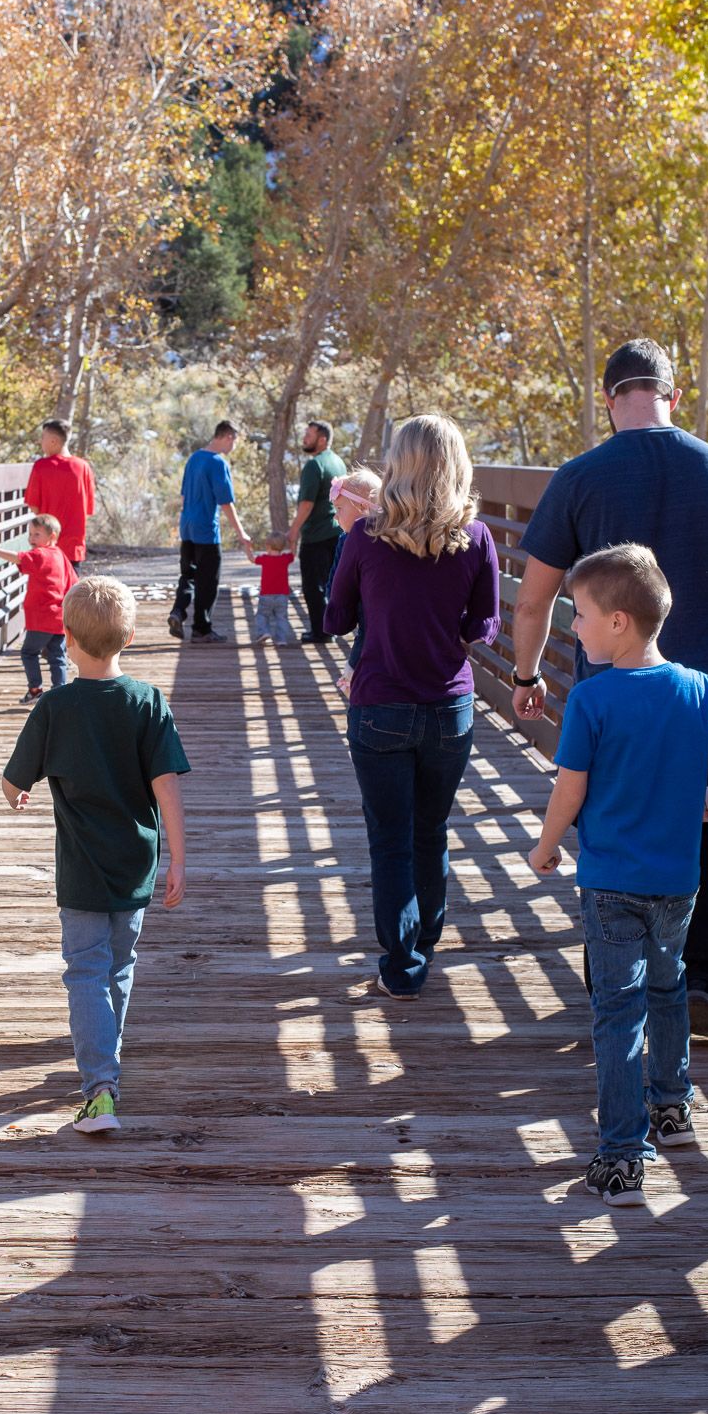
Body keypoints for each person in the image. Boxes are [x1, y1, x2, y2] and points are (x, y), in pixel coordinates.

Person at [511, 338, 708, 1035]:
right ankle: (697, 991)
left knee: (613, 829)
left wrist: (528, 675)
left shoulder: (581, 475)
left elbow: (533, 600)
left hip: (613, 702)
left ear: (608, 399)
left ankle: (616, 990)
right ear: (672, 395)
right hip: (699, 700)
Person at [528, 545, 708, 1207]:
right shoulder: (698, 689)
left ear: (620, 623)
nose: (573, 625)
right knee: (668, 987)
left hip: (608, 880)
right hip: (678, 879)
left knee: (616, 1012)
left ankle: (622, 1159)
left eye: (582, 614)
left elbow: (570, 790)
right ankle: (671, 1108)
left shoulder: (593, 699)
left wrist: (545, 847)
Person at [2, 576, 190, 1132]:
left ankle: (100, 1087)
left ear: (66, 638)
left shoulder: (54, 708)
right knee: (120, 963)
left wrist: (20, 795)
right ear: (129, 638)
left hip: (81, 870)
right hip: (136, 865)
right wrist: (178, 859)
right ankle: (107, 1061)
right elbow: (167, 790)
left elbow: (13, 783)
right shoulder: (148, 702)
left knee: (85, 969)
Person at [324, 415, 501, 998]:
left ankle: (402, 965)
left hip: (379, 706)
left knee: (390, 837)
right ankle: (426, 938)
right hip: (450, 708)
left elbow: (336, 618)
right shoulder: (476, 538)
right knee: (431, 828)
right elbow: (484, 625)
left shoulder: (364, 536)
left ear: (397, 463)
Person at [169, 421, 253, 646]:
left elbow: (184, 497)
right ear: (227, 437)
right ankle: (201, 629)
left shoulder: (194, 458)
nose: (234, 445)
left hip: (187, 527)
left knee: (188, 575)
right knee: (208, 581)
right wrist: (241, 533)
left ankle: (178, 611)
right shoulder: (217, 463)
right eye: (234, 440)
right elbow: (226, 503)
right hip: (207, 530)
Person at [0, 514, 76, 703]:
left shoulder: (40, 554)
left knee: (29, 652)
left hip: (41, 618)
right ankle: (60, 693)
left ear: (52, 536)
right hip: (59, 617)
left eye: (37, 534)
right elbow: (73, 582)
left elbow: (18, 558)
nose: (31, 539)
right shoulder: (61, 556)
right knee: (57, 656)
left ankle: (35, 689)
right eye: (30, 534)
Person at [287, 421, 347, 644]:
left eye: (309, 434)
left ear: (322, 439)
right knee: (332, 583)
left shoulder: (314, 465)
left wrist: (294, 531)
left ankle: (321, 631)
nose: (304, 437)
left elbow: (306, 503)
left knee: (313, 585)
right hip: (336, 531)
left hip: (316, 535)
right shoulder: (338, 462)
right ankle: (332, 626)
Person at [326, 466, 382, 697]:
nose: (336, 516)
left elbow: (335, 587)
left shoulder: (348, 539)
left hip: (365, 613)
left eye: (339, 509)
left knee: (365, 637)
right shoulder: (391, 535)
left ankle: (352, 676)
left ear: (362, 506)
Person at [25, 420, 97, 565]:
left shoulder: (41, 466)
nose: (41, 442)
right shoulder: (83, 467)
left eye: (43, 437)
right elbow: (88, 510)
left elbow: (34, 506)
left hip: (47, 547)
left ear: (53, 441)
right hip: (73, 548)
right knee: (72, 587)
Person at [252, 533, 297, 645]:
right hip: (282, 596)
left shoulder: (264, 559)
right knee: (281, 617)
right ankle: (281, 639)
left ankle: (263, 632)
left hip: (266, 595)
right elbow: (293, 553)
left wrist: (247, 548)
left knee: (262, 615)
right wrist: (293, 542)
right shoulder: (285, 559)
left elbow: (252, 559)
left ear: (267, 546)